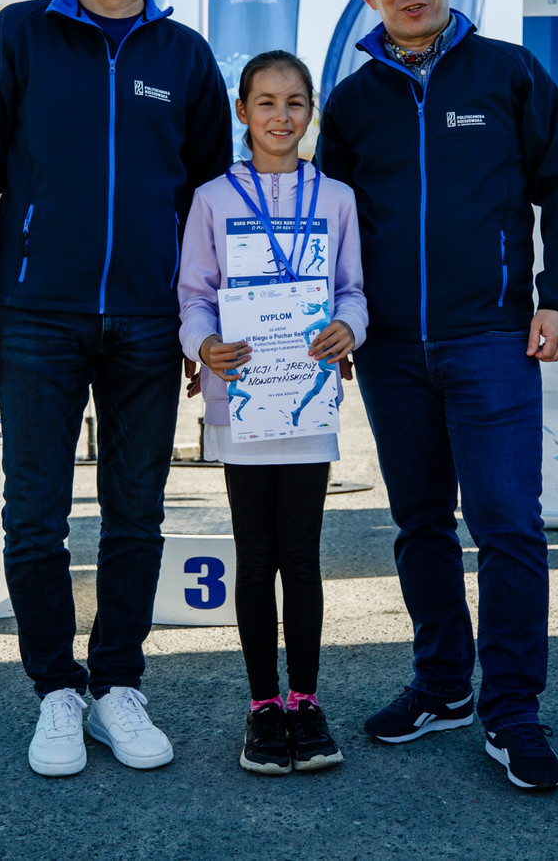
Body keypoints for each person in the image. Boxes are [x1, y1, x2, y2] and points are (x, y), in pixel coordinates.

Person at [0, 0, 232, 778]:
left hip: (150, 320)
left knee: (136, 516)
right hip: (38, 315)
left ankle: (117, 687)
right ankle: (56, 692)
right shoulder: (20, 36)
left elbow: (211, 205)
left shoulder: (184, 56)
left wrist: (203, 322)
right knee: (35, 517)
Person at [317, 0, 558, 791]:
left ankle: (513, 708)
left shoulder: (509, 72)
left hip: (492, 340)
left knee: (507, 526)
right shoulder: (353, 102)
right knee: (420, 525)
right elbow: (333, 226)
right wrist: (338, 320)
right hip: (393, 350)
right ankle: (443, 686)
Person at [177, 51, 367, 775]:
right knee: (256, 558)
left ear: (311, 110)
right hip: (244, 401)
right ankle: (263, 705)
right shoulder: (212, 199)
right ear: (242, 111)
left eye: (295, 103)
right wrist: (203, 345)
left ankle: (306, 702)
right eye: (266, 102)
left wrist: (350, 327)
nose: (281, 116)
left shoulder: (337, 197)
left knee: (303, 556)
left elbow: (352, 289)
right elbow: (194, 295)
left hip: (309, 397)